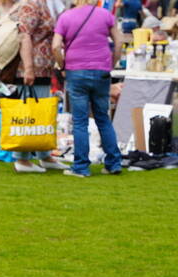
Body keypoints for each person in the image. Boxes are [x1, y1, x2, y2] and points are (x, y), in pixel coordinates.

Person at [52, 0, 122, 177]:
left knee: (80, 121)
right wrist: (112, 62)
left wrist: (62, 65)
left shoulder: (65, 17)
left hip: (76, 71)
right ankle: (113, 163)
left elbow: (55, 46)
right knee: (103, 118)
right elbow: (119, 41)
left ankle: (81, 166)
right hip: (101, 70)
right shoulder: (105, 15)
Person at [9, 0, 68, 173]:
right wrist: (28, 68)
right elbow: (24, 35)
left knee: (41, 115)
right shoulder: (31, 5)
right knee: (28, 115)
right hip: (31, 69)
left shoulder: (45, 4)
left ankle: (45, 155)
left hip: (42, 69)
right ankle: (22, 158)